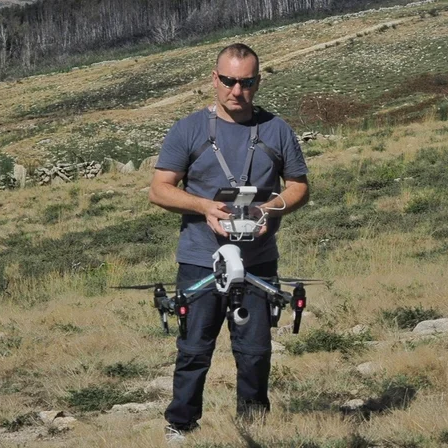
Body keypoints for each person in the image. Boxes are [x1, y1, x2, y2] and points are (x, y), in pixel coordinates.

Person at [149, 43, 310, 440]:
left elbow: (299, 186)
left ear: (258, 82)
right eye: (229, 81)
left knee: (255, 353)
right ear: (214, 79)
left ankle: (254, 427)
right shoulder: (188, 129)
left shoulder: (276, 130)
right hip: (201, 260)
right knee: (193, 350)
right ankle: (181, 426)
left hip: (258, 262)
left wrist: (269, 209)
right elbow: (159, 189)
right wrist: (204, 207)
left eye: (247, 82)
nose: (237, 90)